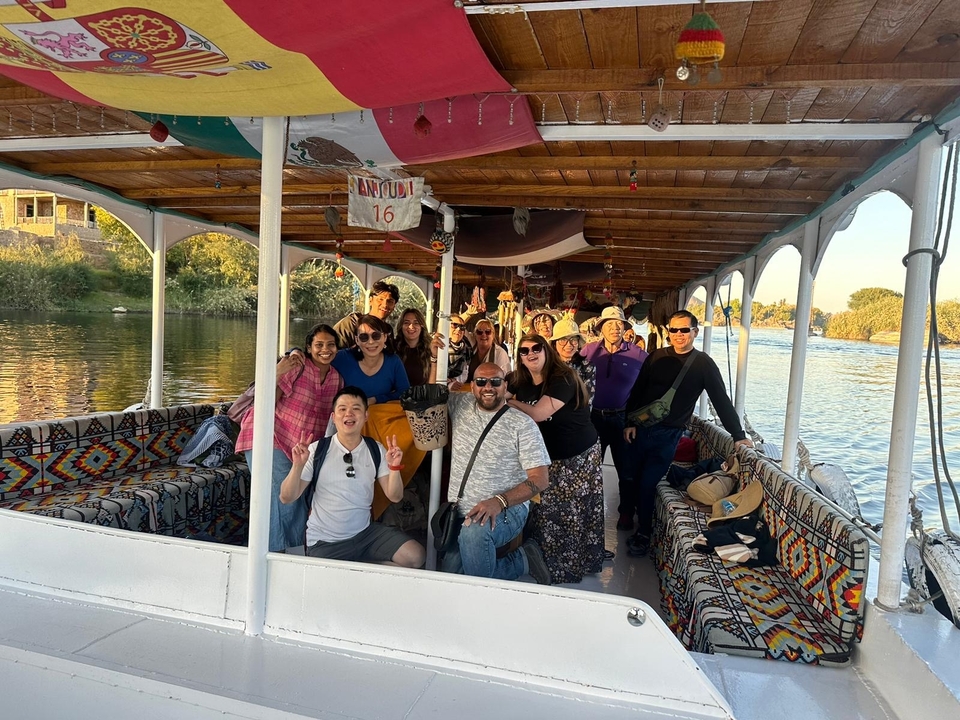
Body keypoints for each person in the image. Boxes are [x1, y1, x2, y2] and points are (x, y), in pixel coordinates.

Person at [623, 310, 754, 558]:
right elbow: (638, 391)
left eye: (684, 330)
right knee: (632, 477)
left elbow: (721, 400)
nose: (679, 335)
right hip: (641, 429)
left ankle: (644, 534)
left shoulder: (702, 364)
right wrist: (628, 422)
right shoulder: (656, 357)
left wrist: (738, 435)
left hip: (669, 435)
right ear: (668, 332)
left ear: (695, 332)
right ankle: (628, 514)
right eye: (674, 330)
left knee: (649, 482)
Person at [279, 386, 425, 567]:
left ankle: (359, 567)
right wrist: (297, 466)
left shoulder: (375, 449)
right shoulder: (317, 450)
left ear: (366, 416)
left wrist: (395, 467)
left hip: (365, 534)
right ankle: (358, 569)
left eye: (356, 408)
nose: (349, 413)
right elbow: (286, 497)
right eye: (342, 409)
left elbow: (395, 496)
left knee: (415, 556)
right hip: (326, 542)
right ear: (333, 417)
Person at [235, 323, 342, 552]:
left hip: (300, 447)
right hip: (267, 434)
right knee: (280, 497)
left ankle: (294, 553)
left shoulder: (336, 380)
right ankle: (274, 555)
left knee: (296, 498)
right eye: (319, 345)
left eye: (331, 345)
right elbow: (267, 404)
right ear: (309, 348)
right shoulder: (297, 367)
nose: (325, 349)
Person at [443, 362, 552, 583]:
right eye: (481, 382)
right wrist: (436, 358)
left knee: (474, 535)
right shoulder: (459, 404)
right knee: (451, 577)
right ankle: (524, 559)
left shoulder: (522, 424)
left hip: (507, 510)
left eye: (495, 382)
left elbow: (540, 480)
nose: (488, 387)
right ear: (472, 386)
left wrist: (499, 501)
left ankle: (488, 595)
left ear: (505, 386)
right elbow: (430, 394)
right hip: (461, 511)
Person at [507, 335, 604, 584]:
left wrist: (510, 401)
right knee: (546, 510)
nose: (530, 353)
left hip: (577, 455)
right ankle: (544, 559)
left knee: (570, 512)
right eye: (524, 350)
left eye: (536, 348)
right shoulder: (520, 381)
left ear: (547, 350)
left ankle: (569, 567)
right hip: (546, 456)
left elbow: (539, 413)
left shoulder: (563, 378)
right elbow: (493, 387)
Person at [581, 305, 648, 531]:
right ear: (601, 327)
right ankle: (587, 512)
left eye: (619, 324)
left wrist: (635, 420)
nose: (614, 328)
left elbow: (651, 387)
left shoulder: (638, 355)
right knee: (589, 469)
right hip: (593, 419)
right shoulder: (588, 351)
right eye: (609, 324)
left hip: (623, 421)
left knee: (626, 471)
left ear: (625, 328)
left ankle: (626, 513)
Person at [332, 315, 410, 405]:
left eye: (376, 336)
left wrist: (376, 399)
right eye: (364, 337)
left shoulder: (394, 361)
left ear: (385, 337)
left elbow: (405, 393)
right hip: (347, 416)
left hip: (379, 417)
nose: (371, 342)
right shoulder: (342, 358)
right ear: (357, 340)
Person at [333, 279, 399, 349]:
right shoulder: (351, 323)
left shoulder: (388, 330)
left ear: (394, 306)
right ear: (370, 300)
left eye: (390, 301)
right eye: (380, 299)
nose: (385, 305)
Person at [550, 315, 596, 405]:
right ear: (554, 344)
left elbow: (587, 400)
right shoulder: (547, 365)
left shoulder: (587, 366)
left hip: (577, 417)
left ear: (578, 343)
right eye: (563, 340)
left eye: (573, 339)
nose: (568, 345)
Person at [453, 317, 511, 386]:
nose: (483, 335)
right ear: (475, 334)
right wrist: (468, 314)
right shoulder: (470, 344)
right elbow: (455, 329)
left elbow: (504, 378)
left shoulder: (500, 353)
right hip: (466, 388)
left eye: (487, 332)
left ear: (493, 335)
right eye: (479, 332)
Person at [394, 307, 437, 386]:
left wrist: (434, 357)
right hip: (396, 397)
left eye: (416, 323)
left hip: (422, 396)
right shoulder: (393, 349)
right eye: (406, 323)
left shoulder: (430, 349)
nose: (411, 327)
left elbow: (432, 386)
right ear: (401, 326)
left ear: (422, 326)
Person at [444, 313, 472, 381]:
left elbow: (464, 375)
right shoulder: (438, 346)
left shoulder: (467, 348)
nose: (458, 329)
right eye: (454, 325)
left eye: (462, 327)